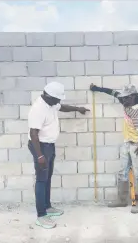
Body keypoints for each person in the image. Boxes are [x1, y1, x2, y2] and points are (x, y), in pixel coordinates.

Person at [28, 82, 90, 229]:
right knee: (41, 180)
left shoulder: (50, 103)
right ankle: (41, 215)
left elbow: (62, 107)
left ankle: (47, 207)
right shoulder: (38, 109)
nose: (59, 101)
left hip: (49, 146)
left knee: (47, 178)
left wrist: (78, 109)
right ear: (49, 96)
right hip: (40, 147)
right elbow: (33, 134)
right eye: (57, 99)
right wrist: (40, 156)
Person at [90, 83, 138, 214]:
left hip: (136, 146)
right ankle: (122, 200)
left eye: (127, 98)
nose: (124, 100)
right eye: (123, 98)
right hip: (126, 144)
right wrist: (96, 88)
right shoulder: (126, 103)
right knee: (122, 172)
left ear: (133, 97)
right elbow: (112, 92)